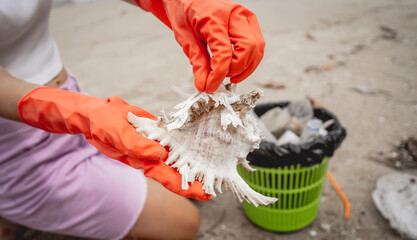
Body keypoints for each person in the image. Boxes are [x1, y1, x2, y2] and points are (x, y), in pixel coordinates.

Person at [0, 0, 264, 239]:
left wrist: (173, 2)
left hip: (69, 92)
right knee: (182, 222)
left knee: (171, 179)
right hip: (16, 140)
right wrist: (78, 111)